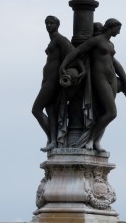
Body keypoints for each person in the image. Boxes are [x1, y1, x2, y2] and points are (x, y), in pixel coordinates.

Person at [60, 18, 126, 151]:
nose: (119, 32)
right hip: (100, 78)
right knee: (112, 113)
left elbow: (115, 64)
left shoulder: (110, 44)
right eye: (118, 29)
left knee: (104, 112)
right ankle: (91, 139)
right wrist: (63, 66)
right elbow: (77, 51)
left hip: (112, 79)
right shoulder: (96, 41)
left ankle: (97, 141)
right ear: (112, 27)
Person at [32, 16, 82, 152]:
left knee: (36, 109)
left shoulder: (60, 39)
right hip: (47, 79)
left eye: (51, 23)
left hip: (53, 80)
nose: (49, 25)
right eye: (47, 23)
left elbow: (73, 54)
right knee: (51, 111)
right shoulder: (53, 40)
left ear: (57, 25)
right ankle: (54, 141)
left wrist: (66, 69)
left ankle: (52, 138)